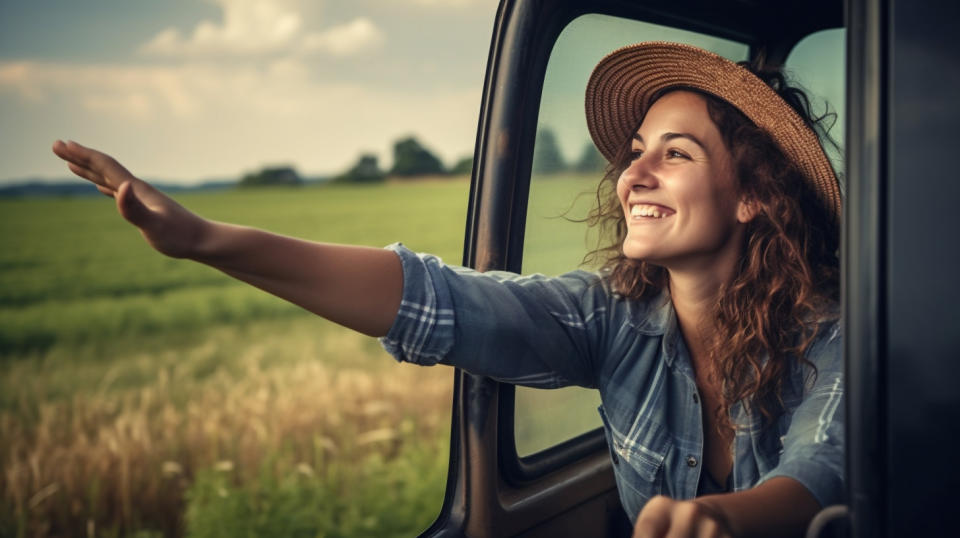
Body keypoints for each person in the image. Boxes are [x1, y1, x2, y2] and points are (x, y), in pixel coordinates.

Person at [52, 42, 843, 538]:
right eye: (635, 151)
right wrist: (202, 240)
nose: (632, 174)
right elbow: (436, 300)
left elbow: (818, 475)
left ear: (755, 196)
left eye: (675, 154)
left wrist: (718, 520)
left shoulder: (834, 337)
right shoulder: (612, 317)